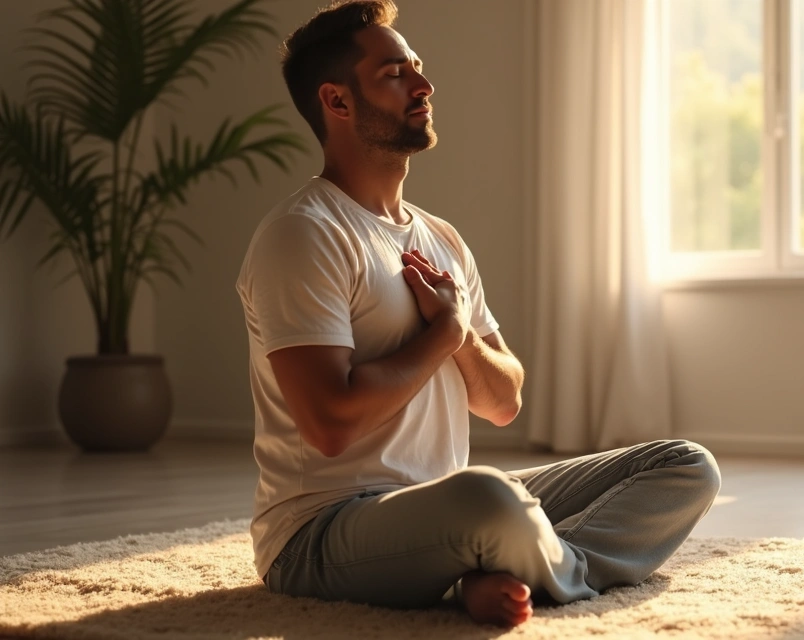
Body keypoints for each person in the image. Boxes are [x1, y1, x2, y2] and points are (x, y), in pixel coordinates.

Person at [235, 0, 721, 628]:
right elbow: (329, 423)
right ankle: (530, 565)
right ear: (338, 102)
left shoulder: (441, 239)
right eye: (394, 73)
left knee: (685, 464)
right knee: (490, 497)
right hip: (323, 531)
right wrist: (446, 333)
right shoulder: (304, 234)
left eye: (417, 66)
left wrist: (460, 339)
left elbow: (502, 400)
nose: (423, 84)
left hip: (442, 508)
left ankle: (510, 566)